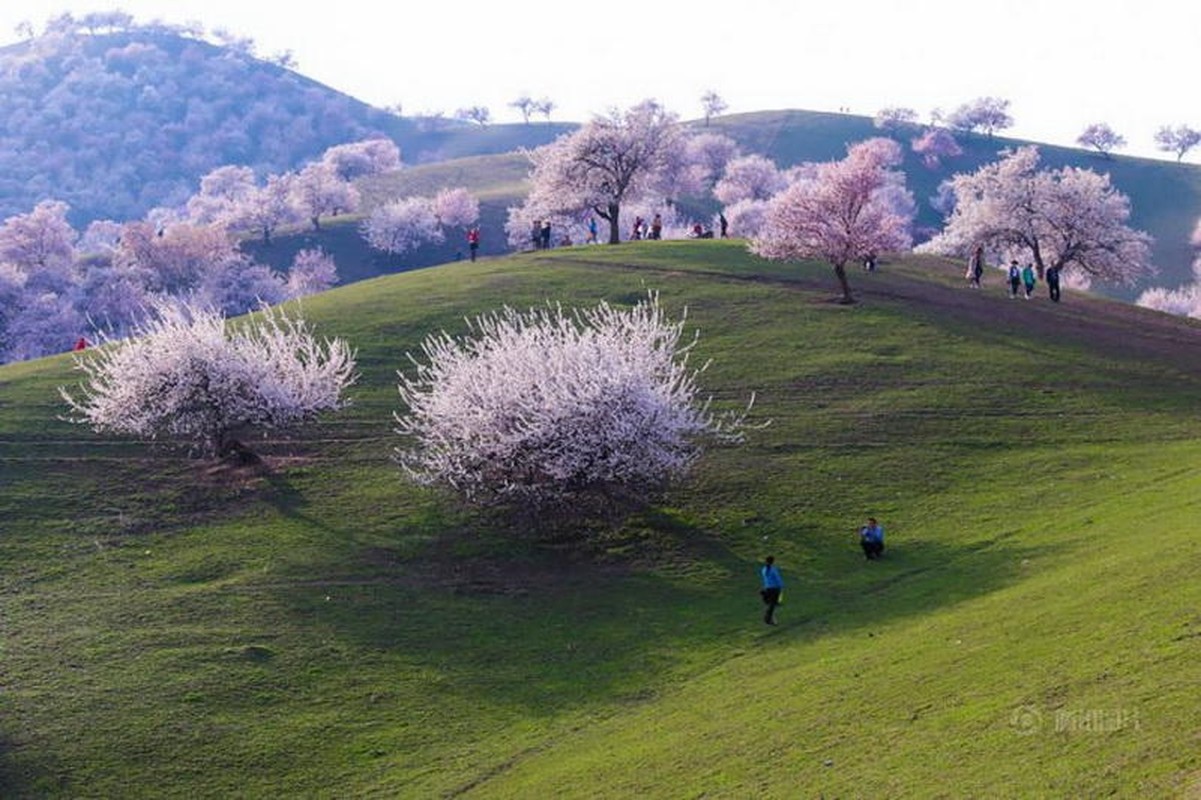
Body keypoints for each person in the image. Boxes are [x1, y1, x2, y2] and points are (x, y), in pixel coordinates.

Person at [759, 555, 784, 625]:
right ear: (773, 562)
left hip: (767, 588)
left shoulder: (764, 569)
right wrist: (781, 585)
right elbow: (777, 578)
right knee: (773, 605)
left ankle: (769, 618)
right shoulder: (773, 569)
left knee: (770, 604)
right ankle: (769, 619)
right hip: (775, 588)